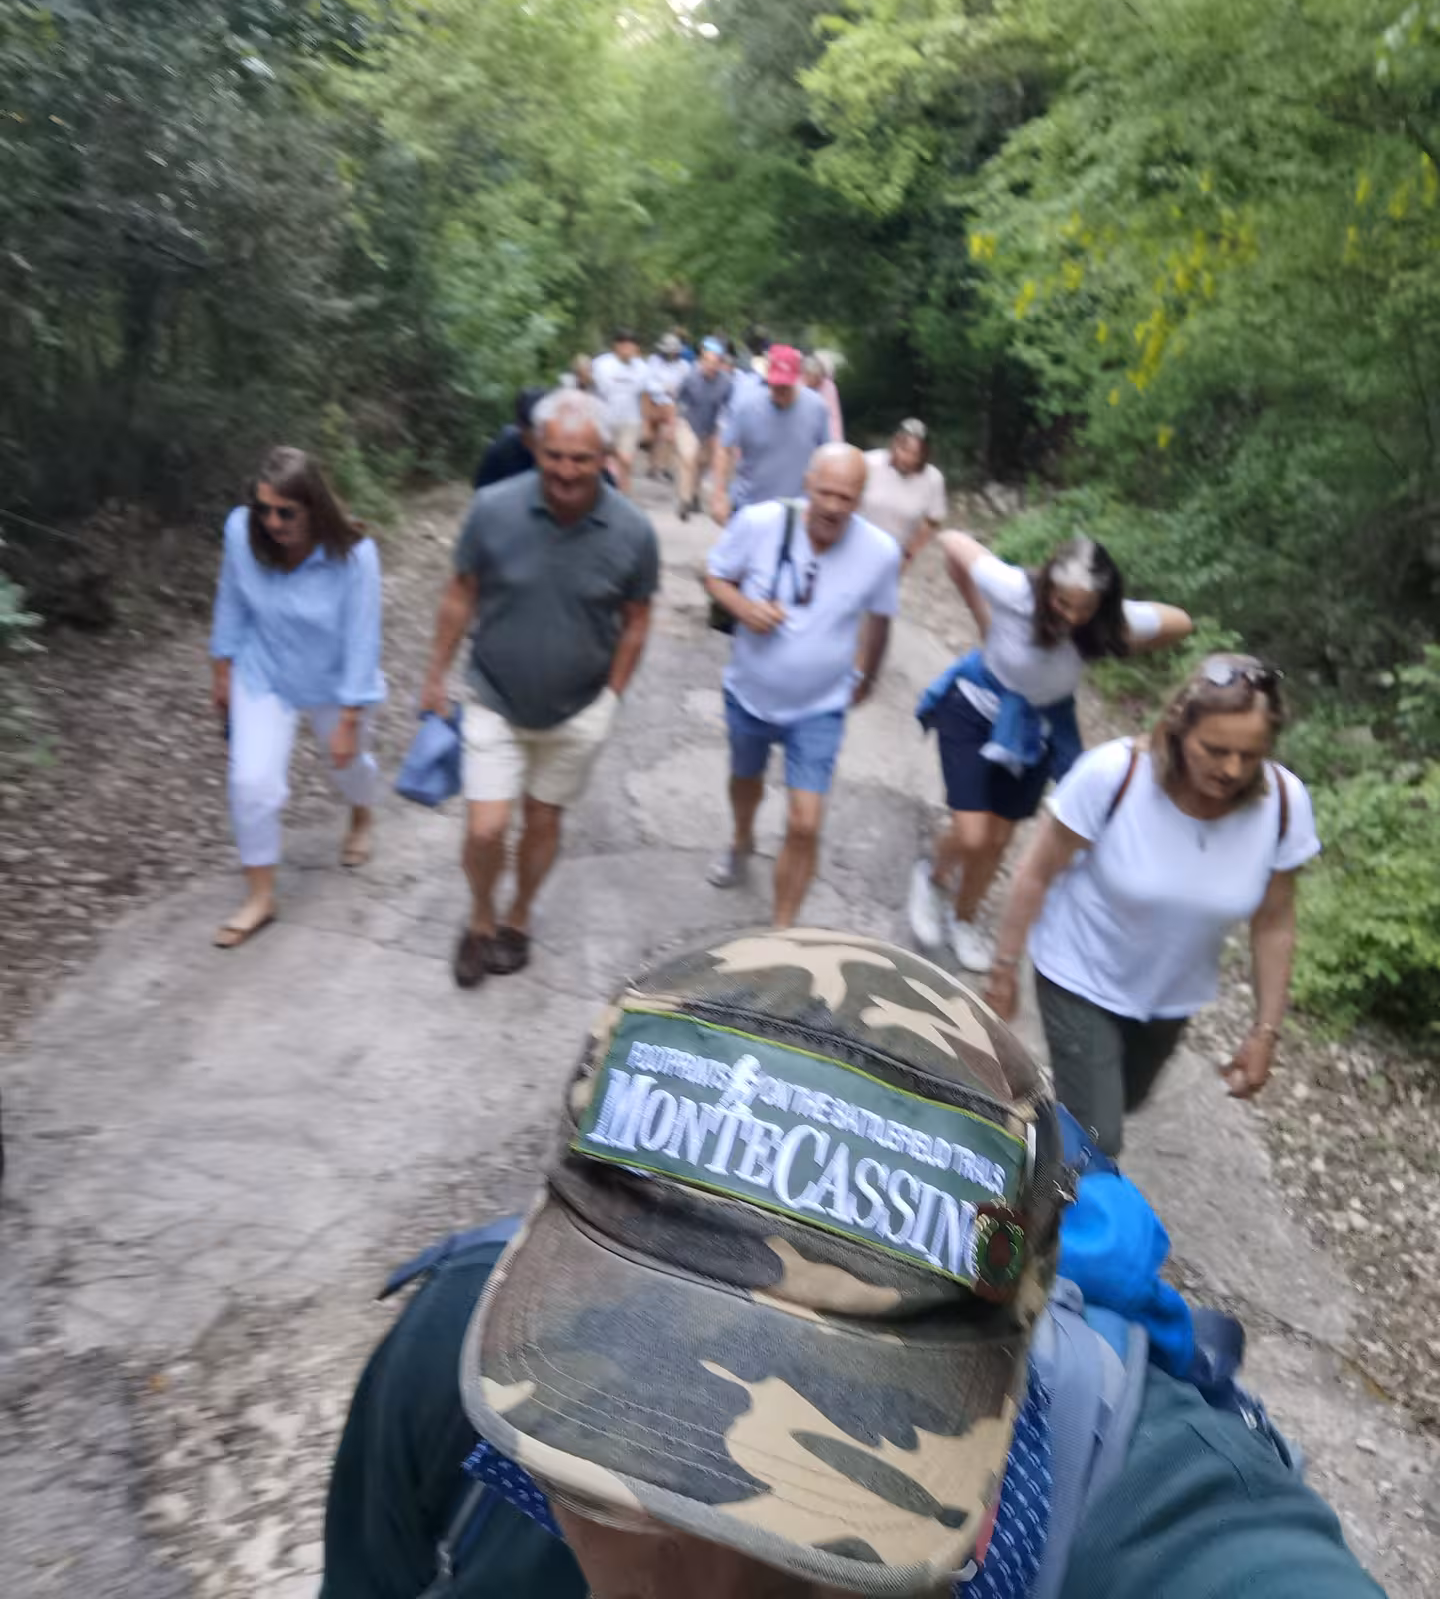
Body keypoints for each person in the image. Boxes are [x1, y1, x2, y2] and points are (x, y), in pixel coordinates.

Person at [318, 930, 1386, 1599]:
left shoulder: (1154, 1524)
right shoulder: (453, 1359)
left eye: (834, 1526)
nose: (704, 1588)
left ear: (1006, 1373)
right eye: (613, 1488)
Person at [987, 654, 1321, 1156]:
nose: (1232, 769)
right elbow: (1036, 872)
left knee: (1125, 1099)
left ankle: (1042, 1127)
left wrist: (1265, 1032)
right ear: (1178, 727)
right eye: (1215, 749)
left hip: (1170, 997)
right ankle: (1036, 1220)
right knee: (1101, 1140)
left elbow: (1274, 923)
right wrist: (1004, 966)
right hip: (1079, 972)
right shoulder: (1114, 775)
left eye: (1250, 755)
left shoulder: (1284, 804)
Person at [419, 392, 659, 987]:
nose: (566, 470)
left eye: (581, 458)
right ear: (534, 447)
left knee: (543, 820)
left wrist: (612, 699)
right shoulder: (492, 509)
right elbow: (460, 593)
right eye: (554, 455)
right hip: (493, 696)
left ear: (604, 454)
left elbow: (637, 620)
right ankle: (479, 920)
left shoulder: (633, 532)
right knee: (486, 828)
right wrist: (435, 675)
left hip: (578, 709)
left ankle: (518, 918)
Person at [909, 533, 1192, 973]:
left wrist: (1118, 637)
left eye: (1085, 608)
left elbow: (1181, 622)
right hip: (975, 708)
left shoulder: (1106, 621)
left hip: (1037, 729)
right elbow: (952, 543)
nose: (1073, 617)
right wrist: (980, 612)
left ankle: (964, 918)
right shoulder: (1012, 589)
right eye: (1063, 604)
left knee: (999, 839)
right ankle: (933, 878)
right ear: (1046, 589)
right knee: (973, 834)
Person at [704, 444, 900, 926]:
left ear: (861, 498)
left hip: (820, 705)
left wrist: (868, 675)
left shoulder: (880, 552)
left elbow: (880, 617)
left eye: (847, 497)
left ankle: (782, 929)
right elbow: (714, 575)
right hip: (750, 693)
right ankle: (741, 839)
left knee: (805, 822)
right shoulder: (759, 523)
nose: (834, 506)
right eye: (826, 493)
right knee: (744, 782)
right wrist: (744, 608)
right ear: (807, 485)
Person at [209, 447, 384, 949]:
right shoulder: (242, 532)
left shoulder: (354, 555)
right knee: (251, 780)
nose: (273, 522)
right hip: (264, 672)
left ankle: (362, 813)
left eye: (287, 512)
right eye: (264, 509)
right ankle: (261, 896)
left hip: (333, 680)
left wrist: (350, 714)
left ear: (314, 507)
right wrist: (222, 670)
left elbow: (361, 638)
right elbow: (232, 600)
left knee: (347, 766)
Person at [711, 343, 830, 526]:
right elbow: (724, 448)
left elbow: (826, 457)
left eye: (785, 386)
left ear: (797, 378)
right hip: (749, 508)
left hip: (795, 513)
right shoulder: (746, 407)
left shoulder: (817, 408)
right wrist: (719, 495)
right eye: (775, 385)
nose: (780, 391)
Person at [861, 418, 947, 567]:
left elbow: (932, 521)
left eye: (916, 454)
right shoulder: (868, 462)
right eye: (904, 450)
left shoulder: (933, 478)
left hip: (892, 556)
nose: (909, 458)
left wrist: (908, 555)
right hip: (858, 546)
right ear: (894, 444)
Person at [674, 335, 732, 520]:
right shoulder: (690, 377)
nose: (710, 365)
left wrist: (723, 429)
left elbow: (729, 407)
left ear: (720, 363)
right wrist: (676, 420)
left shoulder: (726, 383)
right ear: (701, 360)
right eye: (706, 361)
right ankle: (684, 501)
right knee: (688, 458)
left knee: (702, 463)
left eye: (714, 362)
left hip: (709, 427)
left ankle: (695, 494)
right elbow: (680, 398)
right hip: (688, 422)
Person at [590, 329, 650, 492]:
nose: (629, 350)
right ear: (617, 346)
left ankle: (624, 496)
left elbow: (644, 395)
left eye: (632, 346)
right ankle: (599, 491)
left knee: (626, 460)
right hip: (604, 420)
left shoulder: (642, 368)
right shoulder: (601, 365)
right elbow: (590, 390)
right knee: (602, 459)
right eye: (625, 346)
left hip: (630, 421)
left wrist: (646, 423)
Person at [472, 386, 547, 491]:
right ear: (521, 426)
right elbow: (482, 495)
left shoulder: (563, 450)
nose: (540, 437)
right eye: (534, 431)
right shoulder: (500, 451)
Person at [644, 332, 688, 480]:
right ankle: (653, 465)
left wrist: (676, 391)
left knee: (668, 436)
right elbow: (648, 382)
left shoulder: (683, 366)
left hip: (672, 404)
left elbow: (686, 385)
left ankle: (663, 467)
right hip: (654, 401)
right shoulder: (653, 361)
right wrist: (664, 388)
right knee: (654, 437)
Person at [803, 349, 845, 441]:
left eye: (817, 377)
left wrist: (836, 442)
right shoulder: (799, 386)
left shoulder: (828, 387)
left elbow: (833, 417)